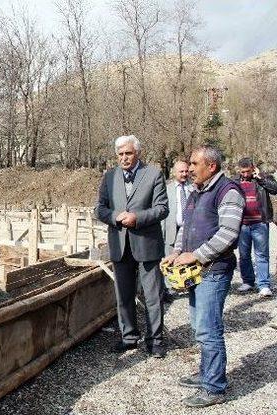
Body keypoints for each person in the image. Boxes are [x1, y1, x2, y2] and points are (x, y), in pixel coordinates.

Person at [162, 145, 244, 408]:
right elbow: (185, 227)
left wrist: (196, 255)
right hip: (198, 271)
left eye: (195, 164)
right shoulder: (197, 192)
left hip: (214, 270)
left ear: (212, 167)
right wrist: (177, 253)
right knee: (199, 327)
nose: (190, 168)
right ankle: (206, 373)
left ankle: (214, 387)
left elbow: (228, 233)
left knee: (209, 330)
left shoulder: (228, 191)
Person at [95, 135, 169, 358]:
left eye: (128, 153)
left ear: (137, 153)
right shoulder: (109, 177)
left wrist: (137, 217)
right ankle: (129, 337)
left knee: (153, 295)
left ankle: (155, 341)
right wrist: (116, 217)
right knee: (124, 295)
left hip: (146, 244)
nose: (124, 158)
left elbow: (162, 209)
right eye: (120, 154)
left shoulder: (154, 174)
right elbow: (99, 209)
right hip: (120, 244)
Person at [233, 157, 277, 297]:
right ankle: (248, 282)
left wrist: (260, 178)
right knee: (244, 255)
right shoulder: (234, 181)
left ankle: (263, 284)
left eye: (248, 171)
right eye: (243, 172)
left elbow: (275, 189)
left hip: (260, 222)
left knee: (261, 255)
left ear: (253, 168)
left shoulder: (262, 178)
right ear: (239, 170)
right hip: (242, 224)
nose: (245, 174)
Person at [162, 160, 194, 300]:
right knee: (169, 256)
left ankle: (189, 283)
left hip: (188, 228)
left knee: (188, 255)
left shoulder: (193, 188)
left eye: (186, 171)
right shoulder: (166, 189)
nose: (184, 174)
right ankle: (169, 288)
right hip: (171, 227)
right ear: (174, 172)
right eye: (181, 171)